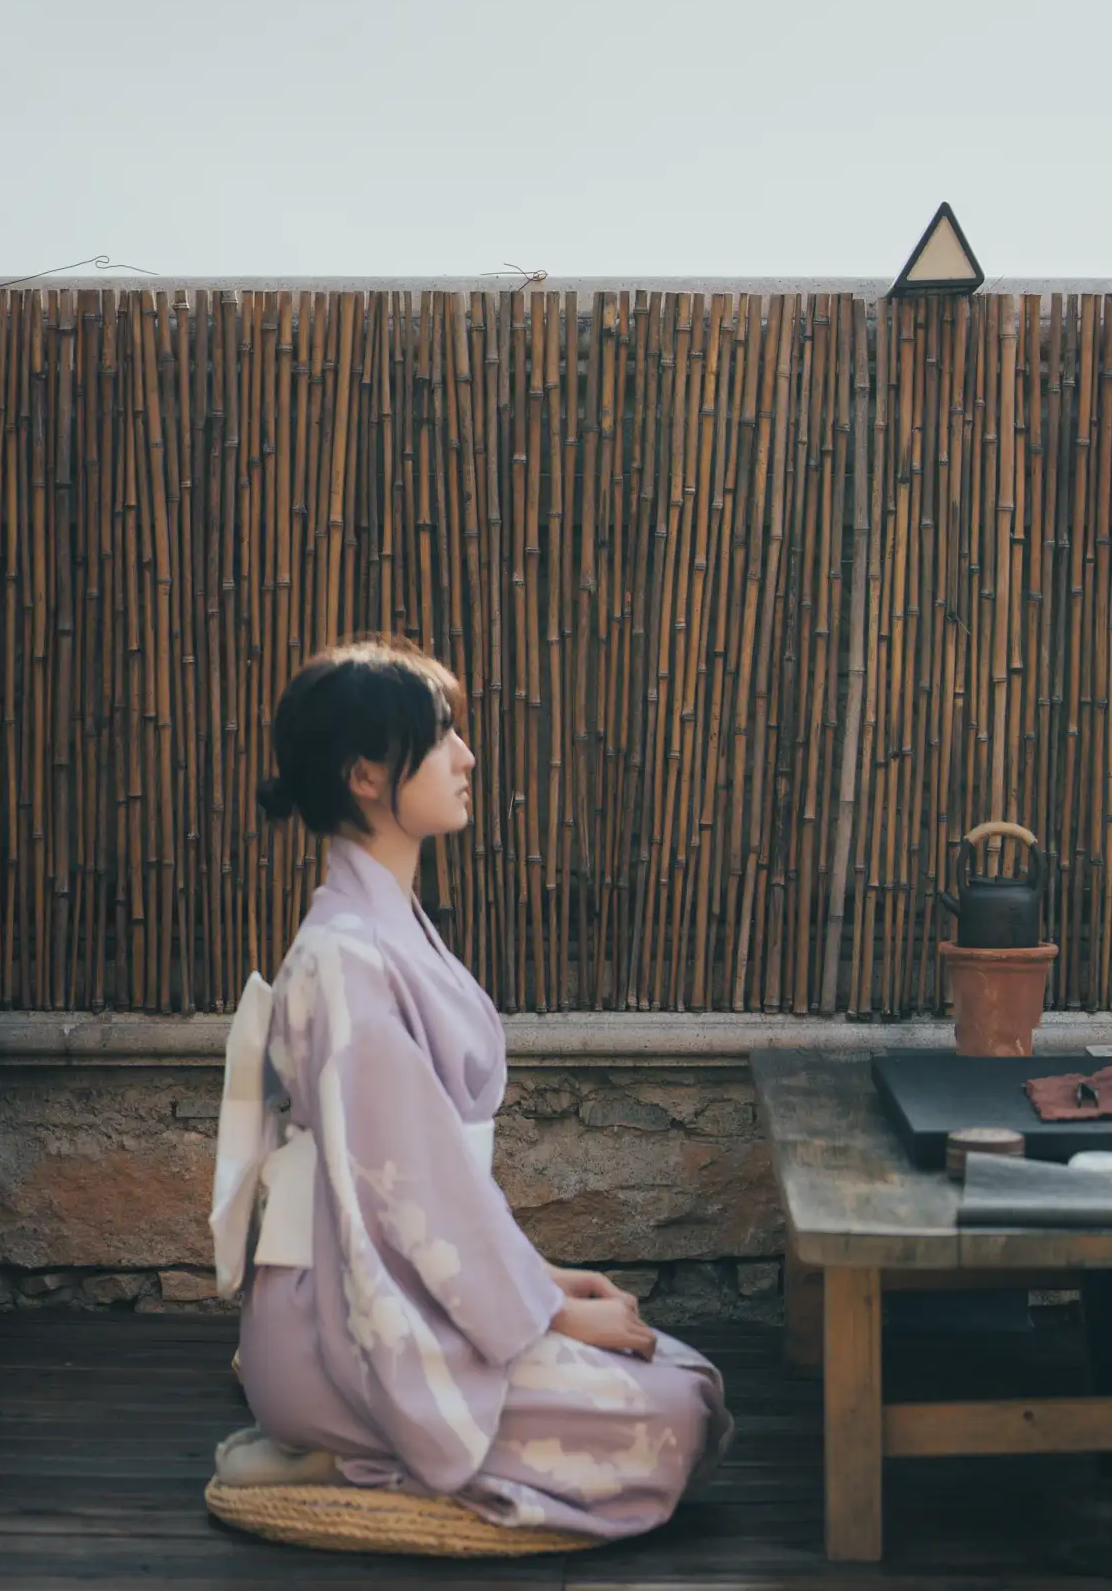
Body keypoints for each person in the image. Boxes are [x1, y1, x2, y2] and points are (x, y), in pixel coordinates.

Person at [212, 637, 730, 1540]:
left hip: (393, 1283)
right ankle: (345, 1450)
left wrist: (541, 1282)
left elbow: (428, 1193)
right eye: (441, 734)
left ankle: (358, 1446)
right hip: (341, 1322)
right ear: (367, 775)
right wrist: (553, 1314)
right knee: (669, 1416)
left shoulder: (383, 929)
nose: (468, 756)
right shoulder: (342, 961)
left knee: (683, 1375)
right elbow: (402, 1195)